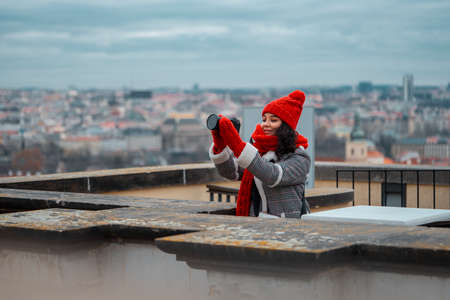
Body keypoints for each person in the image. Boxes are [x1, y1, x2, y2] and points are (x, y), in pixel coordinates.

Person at [209, 90, 311, 218]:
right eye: (264, 119)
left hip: (286, 226)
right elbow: (231, 172)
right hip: (256, 223)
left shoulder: (300, 158)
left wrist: (237, 145)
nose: (266, 124)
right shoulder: (261, 151)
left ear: (286, 126)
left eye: (273, 120)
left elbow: (272, 174)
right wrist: (220, 145)